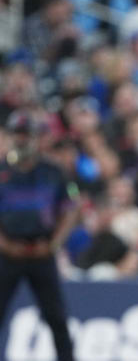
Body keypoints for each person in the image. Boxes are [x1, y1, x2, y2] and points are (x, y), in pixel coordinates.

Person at [0, 111, 80, 361]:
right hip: (8, 252)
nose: (22, 140)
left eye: (27, 134)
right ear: (12, 137)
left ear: (36, 138)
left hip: (42, 252)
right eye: (18, 134)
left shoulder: (53, 171)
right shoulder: (2, 170)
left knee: (56, 316)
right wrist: (3, 244)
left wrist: (54, 243)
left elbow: (71, 208)